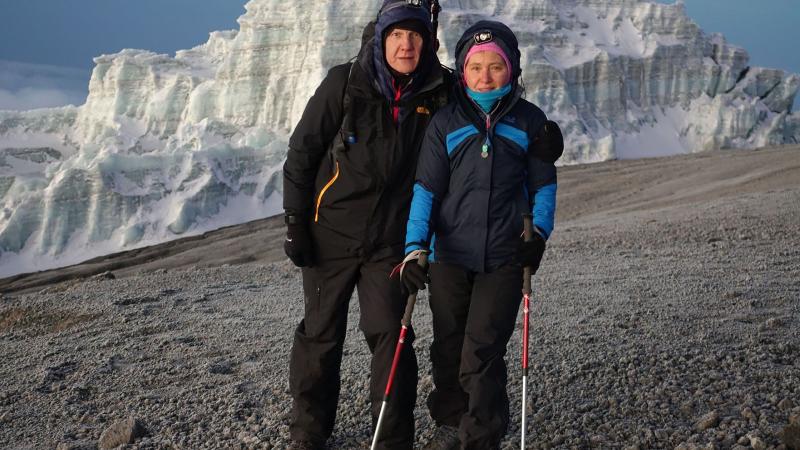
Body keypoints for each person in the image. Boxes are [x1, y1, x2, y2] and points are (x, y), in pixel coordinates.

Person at [281, 1, 451, 448]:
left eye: (414, 35)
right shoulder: (345, 82)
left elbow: (488, 103)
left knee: (390, 335)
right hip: (330, 235)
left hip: (391, 242)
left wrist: (536, 134)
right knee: (320, 335)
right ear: (381, 37)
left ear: (427, 42)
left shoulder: (438, 91)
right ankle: (308, 433)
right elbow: (302, 153)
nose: (406, 44)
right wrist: (296, 222)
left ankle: (391, 440)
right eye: (396, 35)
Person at [400, 20, 564, 450]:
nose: (485, 76)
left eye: (496, 67)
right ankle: (452, 421)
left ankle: (481, 437)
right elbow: (426, 192)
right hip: (449, 256)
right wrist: (415, 248)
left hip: (506, 257)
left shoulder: (530, 124)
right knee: (448, 348)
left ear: (512, 70)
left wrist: (539, 234)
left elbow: (543, 187)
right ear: (463, 70)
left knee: (482, 353)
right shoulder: (445, 123)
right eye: (476, 68)